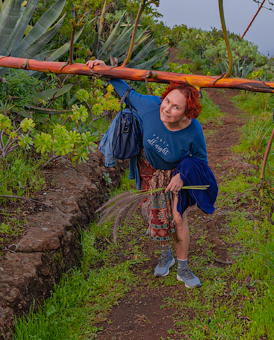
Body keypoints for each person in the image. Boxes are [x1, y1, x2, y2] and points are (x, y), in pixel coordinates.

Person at [86, 59, 211, 288]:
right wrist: (105, 69)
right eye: (167, 101)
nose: (167, 109)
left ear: (187, 113)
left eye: (176, 107)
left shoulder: (193, 129)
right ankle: (166, 256)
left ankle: (183, 269)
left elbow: (200, 160)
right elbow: (126, 90)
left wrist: (182, 176)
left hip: (175, 174)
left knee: (178, 219)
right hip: (148, 170)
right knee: (155, 216)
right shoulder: (150, 106)